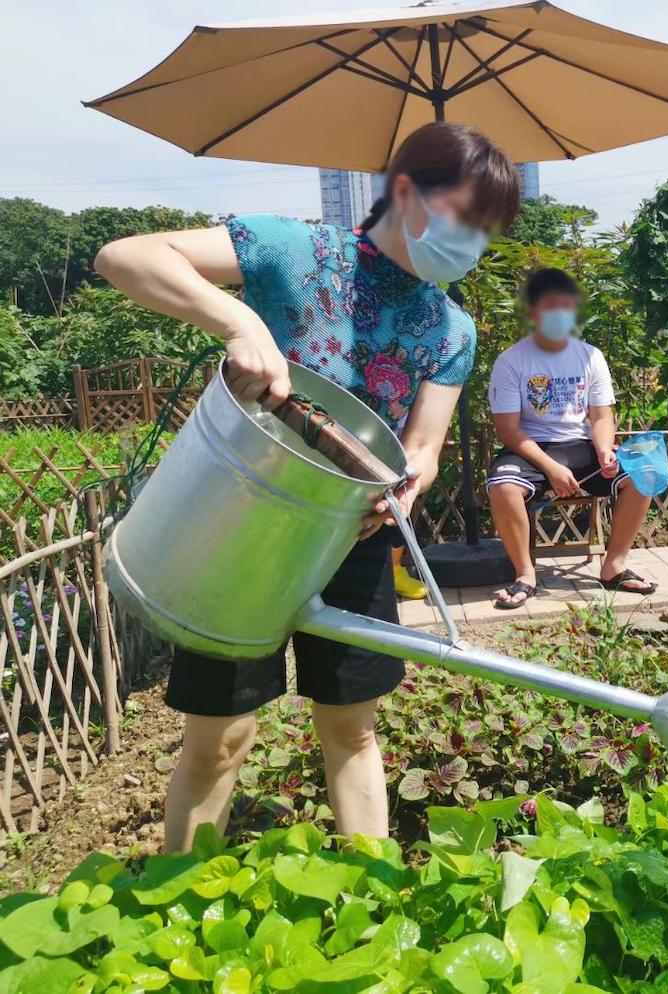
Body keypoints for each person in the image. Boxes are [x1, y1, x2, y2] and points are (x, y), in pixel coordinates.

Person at [94, 122, 520, 850]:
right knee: (219, 740)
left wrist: (409, 484)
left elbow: (423, 444)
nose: (474, 242)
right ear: (407, 191)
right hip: (235, 528)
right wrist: (234, 318)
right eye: (467, 219)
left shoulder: (451, 329)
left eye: (487, 230)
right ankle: (177, 904)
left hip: (351, 536)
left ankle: (371, 893)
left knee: (351, 729)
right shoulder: (294, 251)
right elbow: (123, 256)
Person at [486, 268, 657, 608]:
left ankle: (613, 568)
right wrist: (550, 467)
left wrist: (605, 450)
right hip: (531, 449)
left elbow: (601, 416)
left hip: (582, 447)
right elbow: (507, 430)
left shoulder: (591, 356)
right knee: (502, 485)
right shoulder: (511, 361)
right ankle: (525, 574)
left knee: (645, 474)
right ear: (532, 311)